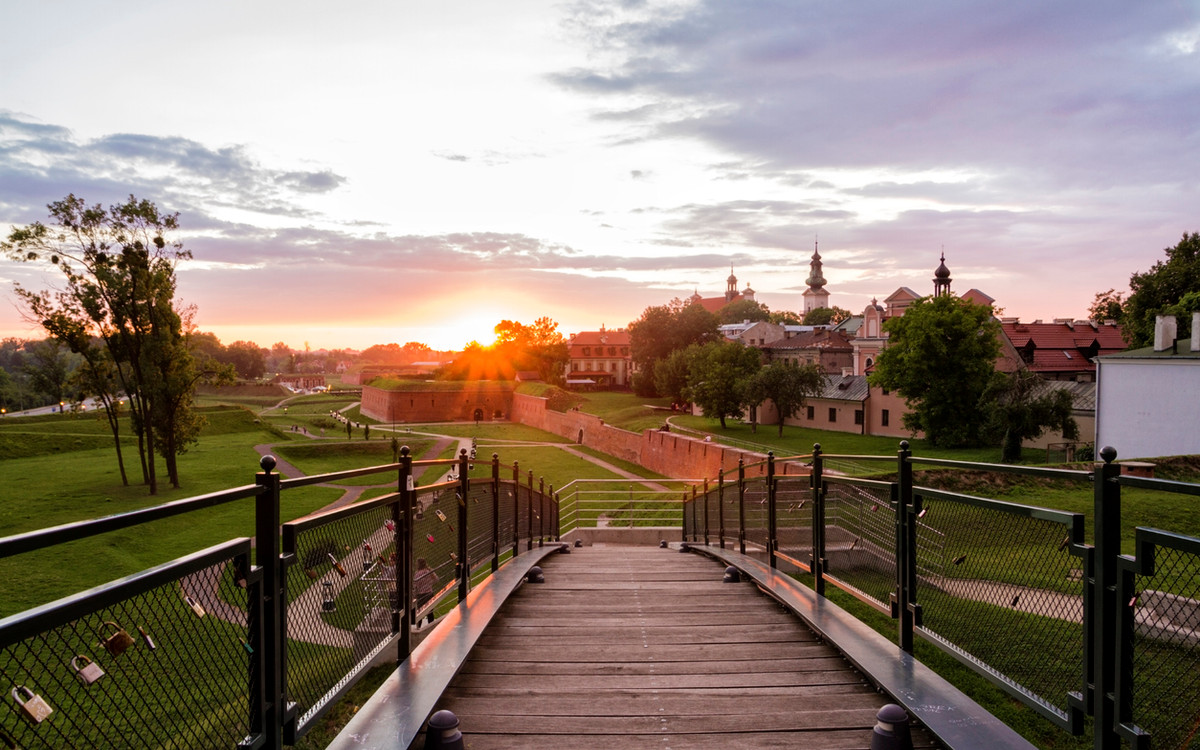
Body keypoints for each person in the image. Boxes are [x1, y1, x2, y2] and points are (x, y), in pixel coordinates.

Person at [413, 557, 438, 626]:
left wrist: (414, 594)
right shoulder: (429, 571)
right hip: (429, 593)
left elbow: (415, 585)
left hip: (421, 594)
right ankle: (431, 626)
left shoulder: (417, 574)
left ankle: (419, 627)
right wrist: (429, 583)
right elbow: (436, 579)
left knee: (420, 612)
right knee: (430, 611)